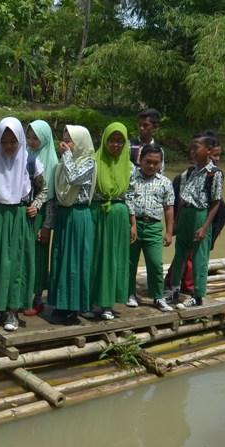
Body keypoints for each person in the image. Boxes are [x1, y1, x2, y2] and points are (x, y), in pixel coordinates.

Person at [0, 117, 44, 332]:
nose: (8, 146)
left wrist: (37, 204)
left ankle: (13, 312)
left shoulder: (31, 163)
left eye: (13, 142)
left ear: (20, 141)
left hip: (20, 219)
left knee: (16, 266)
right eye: (4, 142)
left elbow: (45, 190)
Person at [47, 125, 97, 324]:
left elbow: (73, 177)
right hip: (64, 215)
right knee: (60, 259)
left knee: (75, 261)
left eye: (69, 141)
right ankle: (60, 303)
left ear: (80, 143)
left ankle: (74, 307)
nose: (64, 145)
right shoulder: (63, 163)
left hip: (78, 216)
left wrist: (67, 156)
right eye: (64, 140)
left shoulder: (89, 163)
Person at [168, 134, 224, 308]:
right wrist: (176, 221)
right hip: (186, 214)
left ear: (208, 150)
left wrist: (204, 227)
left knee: (199, 257)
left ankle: (198, 296)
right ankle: (174, 290)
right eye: (191, 148)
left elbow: (216, 203)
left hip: (201, 215)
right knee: (180, 254)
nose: (192, 151)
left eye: (196, 148)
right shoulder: (189, 172)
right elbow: (182, 199)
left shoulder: (214, 174)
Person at [90, 122, 133, 320]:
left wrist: (133, 224)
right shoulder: (94, 162)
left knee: (114, 260)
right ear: (105, 140)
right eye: (112, 140)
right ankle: (91, 301)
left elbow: (132, 196)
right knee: (96, 258)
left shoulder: (130, 166)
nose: (115, 145)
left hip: (119, 216)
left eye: (120, 141)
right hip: (97, 214)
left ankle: (108, 304)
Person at [125, 144, 175, 312]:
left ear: (161, 163)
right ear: (140, 160)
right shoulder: (131, 178)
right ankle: (130, 294)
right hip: (134, 225)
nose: (152, 166)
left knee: (155, 263)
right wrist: (131, 225)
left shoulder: (165, 183)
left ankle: (158, 297)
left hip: (154, 226)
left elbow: (169, 208)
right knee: (130, 262)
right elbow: (128, 201)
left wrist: (169, 232)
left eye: (156, 162)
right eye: (148, 162)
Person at [23, 120, 59, 317]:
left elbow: (51, 200)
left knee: (37, 257)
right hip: (27, 214)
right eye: (28, 137)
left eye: (35, 137)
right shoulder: (26, 156)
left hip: (42, 214)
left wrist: (46, 227)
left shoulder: (52, 162)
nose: (31, 141)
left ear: (45, 138)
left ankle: (37, 298)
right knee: (24, 255)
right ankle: (22, 296)